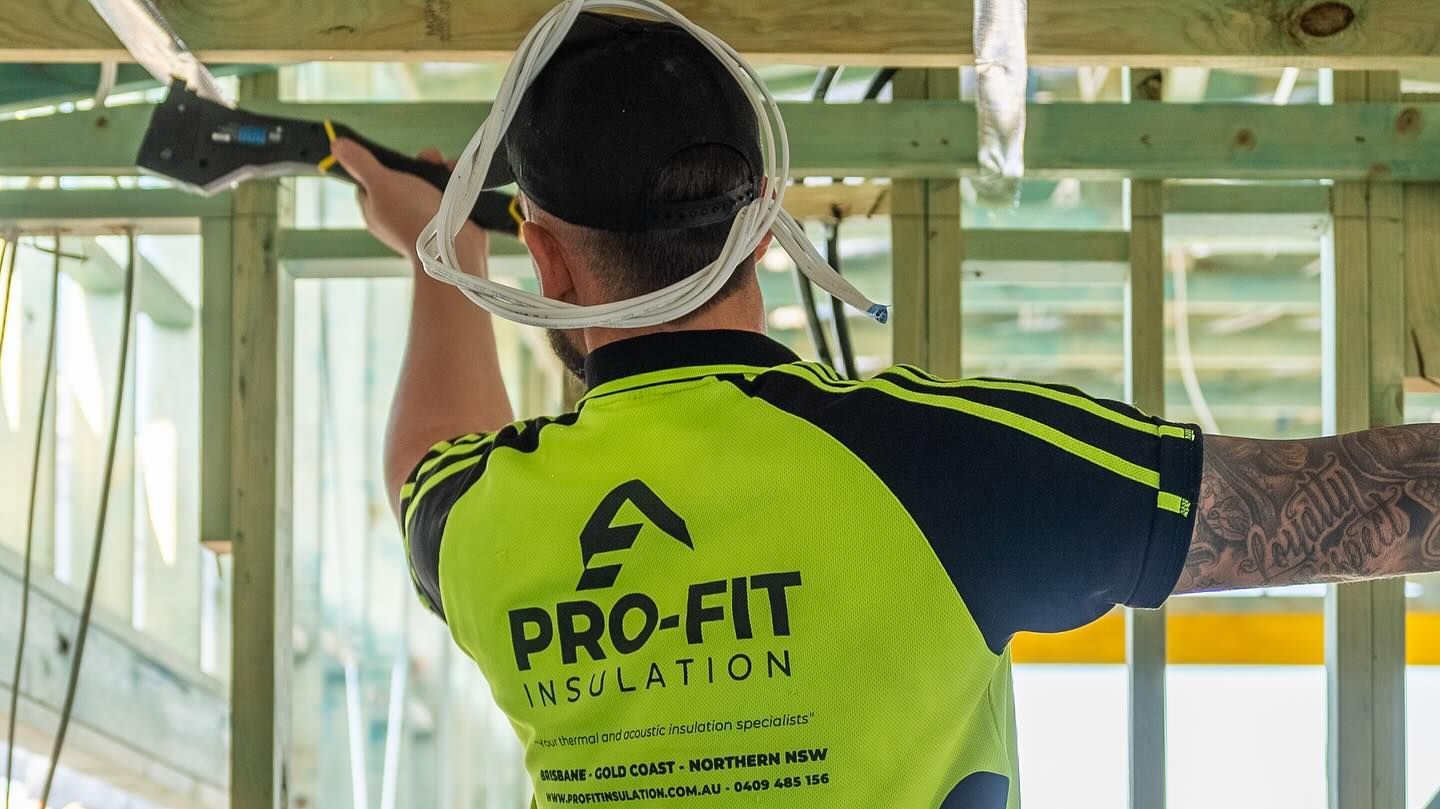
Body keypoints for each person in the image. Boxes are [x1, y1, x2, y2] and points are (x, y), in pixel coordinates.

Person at [332, 12, 1440, 809]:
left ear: (545, 257)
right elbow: (1357, 508)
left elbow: (428, 456)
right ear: (765, 224)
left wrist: (444, 252)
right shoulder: (940, 466)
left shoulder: (484, 523)